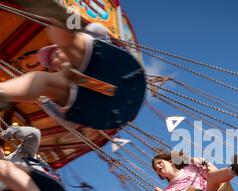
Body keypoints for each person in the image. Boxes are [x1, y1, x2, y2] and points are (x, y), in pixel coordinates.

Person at [0, 1, 146, 129]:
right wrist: (54, 101)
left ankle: (66, 22)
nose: (55, 61)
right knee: (44, 80)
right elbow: (69, 122)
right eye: (53, 63)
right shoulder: (61, 79)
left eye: (56, 55)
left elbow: (98, 29)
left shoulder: (85, 48)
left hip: (103, 66)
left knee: (70, 44)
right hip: (90, 101)